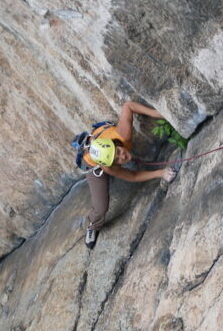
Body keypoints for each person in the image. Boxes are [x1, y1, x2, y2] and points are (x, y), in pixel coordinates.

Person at [73, 100, 178, 248]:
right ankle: (93, 226)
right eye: (117, 160)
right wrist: (160, 173)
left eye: (119, 152)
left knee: (127, 158)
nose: (123, 157)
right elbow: (133, 176)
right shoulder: (107, 167)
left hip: (101, 143)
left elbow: (129, 105)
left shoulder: (123, 134)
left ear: (117, 144)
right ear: (111, 165)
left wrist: (156, 114)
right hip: (91, 163)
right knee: (101, 207)